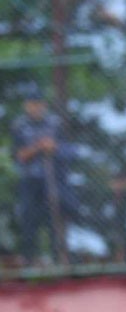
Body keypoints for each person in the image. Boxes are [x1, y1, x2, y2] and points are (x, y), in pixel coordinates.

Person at [10, 81, 75, 265]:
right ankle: (29, 262)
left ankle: (57, 260)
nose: (36, 107)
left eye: (38, 103)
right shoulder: (19, 126)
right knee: (29, 220)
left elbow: (68, 150)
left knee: (54, 219)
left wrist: (53, 147)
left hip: (52, 179)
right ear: (26, 105)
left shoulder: (55, 124)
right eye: (32, 103)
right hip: (29, 180)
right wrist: (39, 147)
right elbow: (19, 155)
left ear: (44, 105)